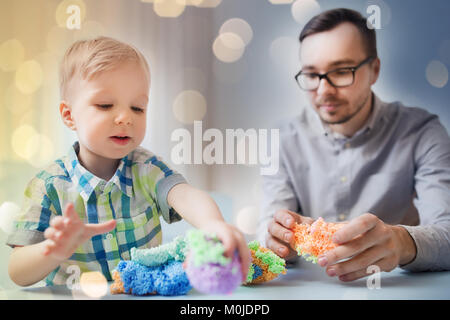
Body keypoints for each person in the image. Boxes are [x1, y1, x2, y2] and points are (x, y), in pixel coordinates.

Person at [6, 36, 250, 287]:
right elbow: (17, 272)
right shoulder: (47, 186)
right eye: (105, 105)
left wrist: (213, 224)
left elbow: (185, 195)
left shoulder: (148, 169)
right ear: (69, 116)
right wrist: (53, 250)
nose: (125, 117)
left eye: (137, 108)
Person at [259, 8, 450, 282]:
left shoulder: (423, 132)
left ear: (374, 70)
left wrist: (402, 242)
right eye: (312, 74)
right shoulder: (279, 139)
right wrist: (278, 239)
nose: (324, 90)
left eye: (340, 71)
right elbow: (268, 229)